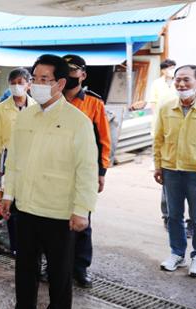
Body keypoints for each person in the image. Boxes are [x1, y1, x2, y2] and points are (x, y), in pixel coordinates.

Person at [0, 54, 98, 309]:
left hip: (59, 211)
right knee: (25, 269)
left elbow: (87, 168)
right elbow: (14, 159)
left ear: (60, 83)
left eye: (45, 79)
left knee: (59, 274)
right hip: (27, 207)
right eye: (35, 78)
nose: (38, 85)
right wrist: (8, 194)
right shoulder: (26, 116)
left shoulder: (77, 121)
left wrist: (82, 209)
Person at [60, 54, 112, 288]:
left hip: (84, 171)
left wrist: (101, 172)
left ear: (83, 75)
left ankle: (80, 268)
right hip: (55, 169)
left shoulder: (93, 103)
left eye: (72, 71)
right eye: (64, 71)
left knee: (82, 220)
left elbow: (104, 140)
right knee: (53, 221)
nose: (68, 75)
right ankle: (53, 265)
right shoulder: (51, 100)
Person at [153, 64, 196, 278]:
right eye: (178, 79)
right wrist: (158, 165)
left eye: (187, 79)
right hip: (171, 169)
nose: (181, 84)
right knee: (174, 216)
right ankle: (177, 253)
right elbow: (158, 138)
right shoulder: (166, 106)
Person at [0, 67, 34, 255]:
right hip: (10, 159)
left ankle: (31, 245)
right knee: (11, 202)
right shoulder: (2, 108)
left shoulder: (37, 107)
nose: (17, 87)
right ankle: (16, 247)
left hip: (32, 159)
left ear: (29, 85)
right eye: (13, 84)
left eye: (20, 83)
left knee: (30, 201)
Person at [150, 59, 178, 227]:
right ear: (163, 70)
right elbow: (153, 103)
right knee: (168, 185)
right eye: (169, 68)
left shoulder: (177, 84)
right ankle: (167, 216)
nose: (172, 71)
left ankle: (189, 220)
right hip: (161, 123)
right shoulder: (157, 84)